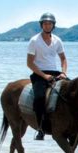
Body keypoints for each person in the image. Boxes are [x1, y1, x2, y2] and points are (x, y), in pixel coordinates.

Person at [27, 12, 67, 140]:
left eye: (50, 23)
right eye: (45, 23)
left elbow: (63, 59)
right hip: (39, 74)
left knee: (74, 91)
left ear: (53, 25)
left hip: (56, 73)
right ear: (41, 25)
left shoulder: (57, 40)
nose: (47, 25)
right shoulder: (34, 41)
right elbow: (29, 63)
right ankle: (40, 128)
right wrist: (44, 76)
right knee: (39, 98)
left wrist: (63, 72)